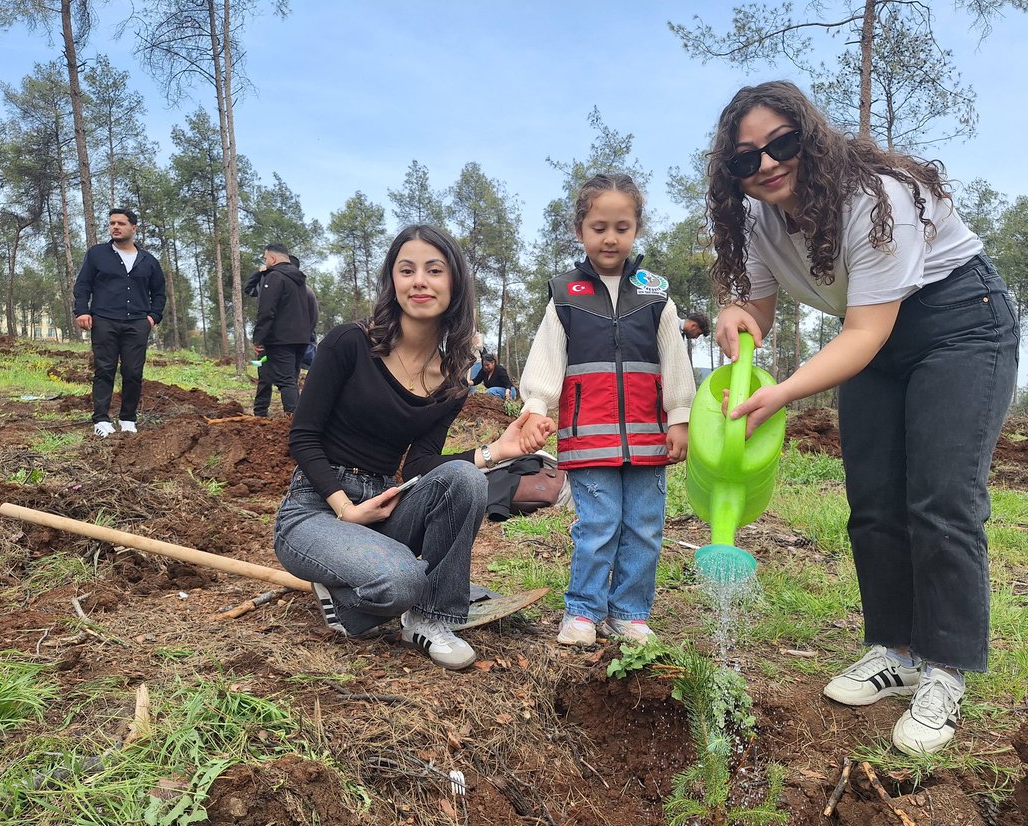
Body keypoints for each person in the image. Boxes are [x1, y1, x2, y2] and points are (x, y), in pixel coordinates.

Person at [706, 81, 1018, 755]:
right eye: (744, 159)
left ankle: (944, 670)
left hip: (958, 325)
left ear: (810, 139)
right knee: (874, 502)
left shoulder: (879, 198)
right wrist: (738, 314)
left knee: (941, 498)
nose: (765, 165)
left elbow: (867, 330)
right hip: (870, 336)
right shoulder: (760, 220)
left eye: (781, 144)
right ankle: (895, 651)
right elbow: (759, 309)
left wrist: (784, 390)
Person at [273, 224, 545, 671]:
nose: (419, 280)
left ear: (454, 284)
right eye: (407, 270)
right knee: (400, 580)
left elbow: (421, 464)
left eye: (434, 270)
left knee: (463, 479)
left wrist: (498, 450)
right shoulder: (349, 343)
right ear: (393, 282)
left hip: (382, 504)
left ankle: (428, 618)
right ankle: (373, 588)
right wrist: (344, 508)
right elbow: (302, 437)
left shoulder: (453, 381)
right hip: (315, 510)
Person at [519, 174, 696, 647]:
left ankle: (630, 613)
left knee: (644, 527)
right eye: (599, 227)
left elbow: (674, 360)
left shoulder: (656, 294)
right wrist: (538, 405)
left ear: (637, 229)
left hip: (648, 437)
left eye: (622, 226)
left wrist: (680, 415)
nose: (610, 237)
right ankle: (583, 610)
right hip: (587, 435)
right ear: (580, 231)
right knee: (597, 526)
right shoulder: (564, 296)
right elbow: (547, 358)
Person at [73, 208, 167, 437]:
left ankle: (127, 418)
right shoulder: (97, 254)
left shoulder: (148, 261)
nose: (115, 227)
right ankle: (102, 419)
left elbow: (160, 293)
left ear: (133, 228)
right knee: (104, 369)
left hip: (137, 323)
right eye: (112, 223)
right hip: (104, 320)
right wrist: (82, 311)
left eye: (121, 223)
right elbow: (83, 285)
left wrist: (153, 317)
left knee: (133, 372)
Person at [249, 244, 316, 417]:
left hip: (281, 340)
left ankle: (294, 421)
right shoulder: (299, 281)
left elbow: (266, 311)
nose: (265, 261)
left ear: (273, 259)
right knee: (289, 380)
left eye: (265, 258)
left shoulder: (275, 277)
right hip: (301, 339)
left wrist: (258, 339)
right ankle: (281, 415)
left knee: (285, 381)